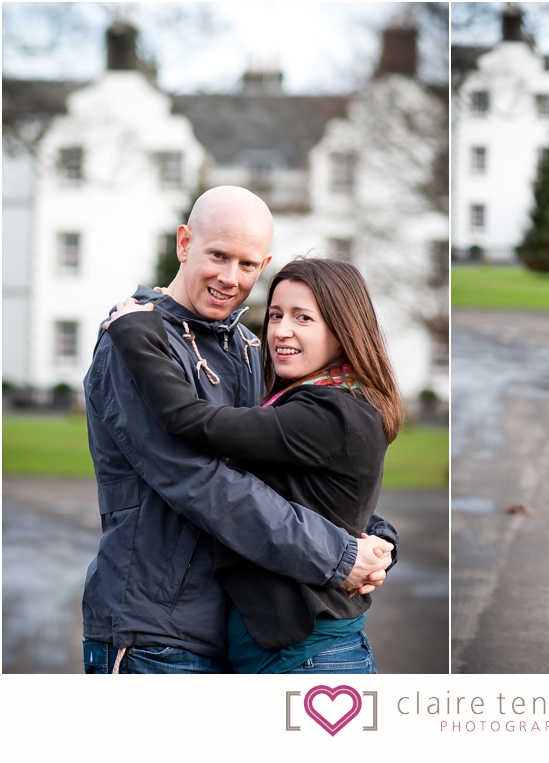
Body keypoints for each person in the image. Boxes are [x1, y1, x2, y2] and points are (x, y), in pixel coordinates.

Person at [82, 186, 396, 674]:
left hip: (237, 631)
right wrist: (340, 554)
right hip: (155, 633)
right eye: (218, 256)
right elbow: (200, 482)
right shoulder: (137, 342)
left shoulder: (249, 346)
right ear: (184, 243)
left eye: (248, 265)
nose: (231, 278)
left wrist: (374, 537)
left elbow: (288, 469)